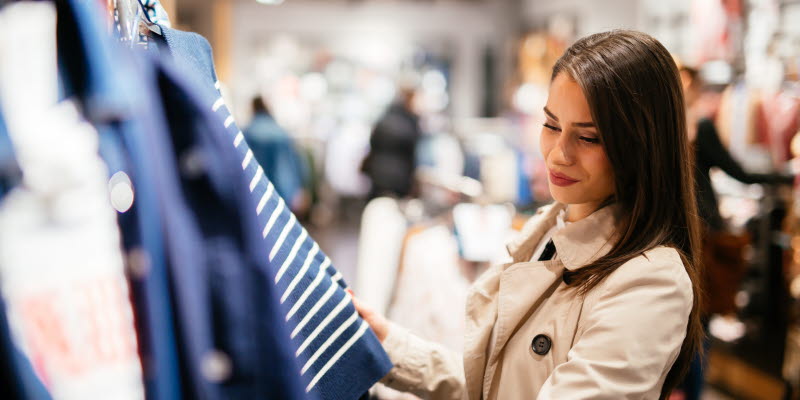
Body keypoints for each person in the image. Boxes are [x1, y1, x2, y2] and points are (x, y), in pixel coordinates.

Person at [352, 30, 704, 399]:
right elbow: (499, 386)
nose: (558, 153)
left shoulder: (648, 281)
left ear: (641, 144)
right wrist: (390, 344)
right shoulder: (548, 231)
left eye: (588, 138)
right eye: (551, 125)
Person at [676, 66, 794, 400]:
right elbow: (738, 172)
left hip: (673, 235)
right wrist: (783, 179)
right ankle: (693, 393)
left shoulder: (659, 128)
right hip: (703, 237)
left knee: (680, 324)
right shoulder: (698, 127)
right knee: (700, 325)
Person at [243, 96, 309, 215]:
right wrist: (299, 188)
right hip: (282, 190)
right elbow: (294, 163)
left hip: (257, 192)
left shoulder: (248, 132)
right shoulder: (280, 132)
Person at [361, 86, 422, 199]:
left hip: (377, 174)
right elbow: (412, 154)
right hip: (399, 178)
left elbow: (372, 142)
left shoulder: (384, 118)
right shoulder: (410, 123)